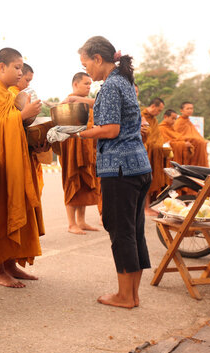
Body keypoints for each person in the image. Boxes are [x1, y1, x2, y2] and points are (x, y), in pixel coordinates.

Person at [72, 36, 152, 309]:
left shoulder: (110, 85)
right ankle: (133, 294)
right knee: (134, 230)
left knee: (121, 231)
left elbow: (110, 129)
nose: (87, 71)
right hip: (139, 166)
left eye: (86, 64)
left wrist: (80, 133)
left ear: (98, 59)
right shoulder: (123, 81)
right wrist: (85, 102)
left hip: (119, 169)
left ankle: (125, 296)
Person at [0, 48, 44, 288]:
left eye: (21, 68)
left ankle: (11, 264)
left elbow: (11, 124)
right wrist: (22, 115)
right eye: (16, 67)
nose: (20, 72)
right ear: (1, 67)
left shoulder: (8, 93)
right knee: (0, 212)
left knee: (16, 208)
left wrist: (27, 118)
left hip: (15, 161)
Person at [59, 72, 100, 234]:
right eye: (86, 84)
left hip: (88, 149)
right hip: (72, 151)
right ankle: (71, 224)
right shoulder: (67, 103)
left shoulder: (89, 105)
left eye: (90, 84)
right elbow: (63, 131)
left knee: (85, 185)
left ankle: (81, 221)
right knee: (72, 183)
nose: (89, 87)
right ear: (75, 84)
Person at [8, 63, 48, 198]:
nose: (29, 84)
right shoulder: (10, 94)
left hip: (28, 151)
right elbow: (8, 125)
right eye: (27, 80)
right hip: (16, 154)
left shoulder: (24, 95)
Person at [141, 98, 170, 216]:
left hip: (155, 154)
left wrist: (161, 146)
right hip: (145, 154)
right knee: (144, 181)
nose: (159, 113)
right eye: (158, 110)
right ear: (153, 106)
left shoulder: (154, 120)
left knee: (151, 181)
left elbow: (157, 138)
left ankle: (148, 207)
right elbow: (145, 137)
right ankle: (144, 208)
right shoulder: (142, 116)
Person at [174, 102, 209, 167]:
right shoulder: (179, 122)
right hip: (188, 145)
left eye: (191, 108)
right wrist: (193, 139)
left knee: (202, 142)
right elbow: (176, 136)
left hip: (197, 146)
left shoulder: (188, 121)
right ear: (181, 110)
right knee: (199, 141)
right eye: (188, 109)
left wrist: (201, 140)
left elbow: (195, 134)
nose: (190, 110)